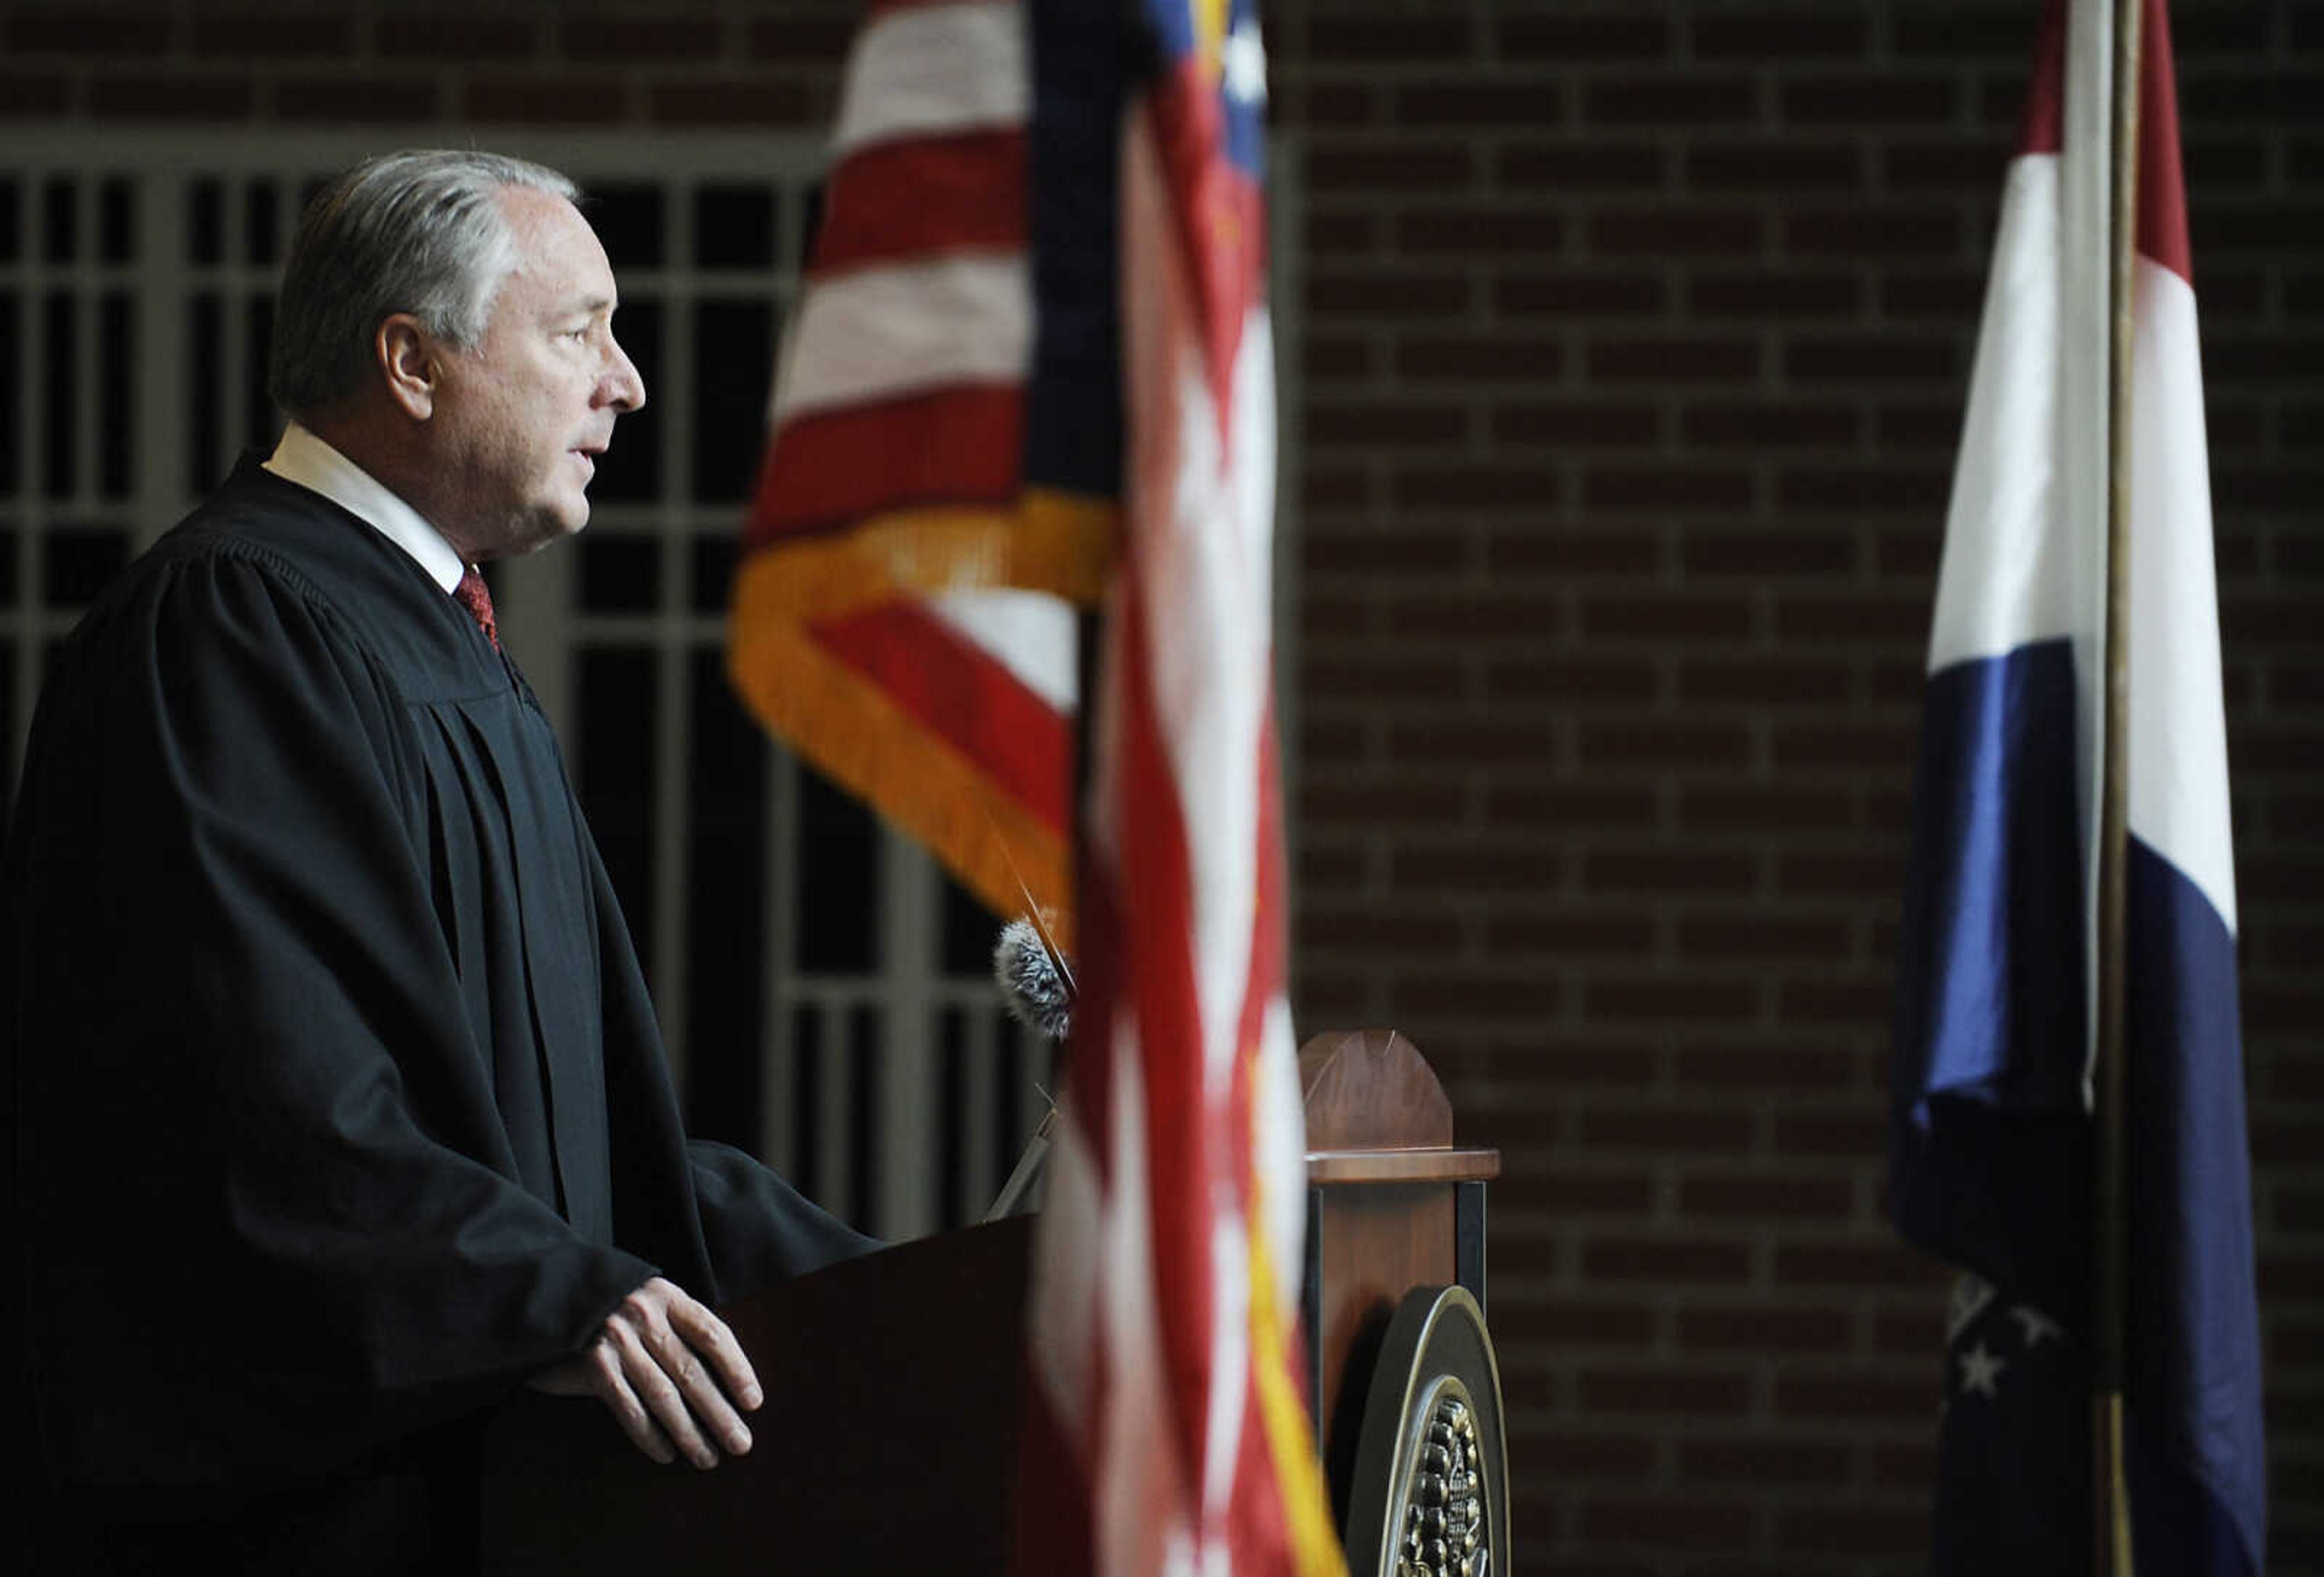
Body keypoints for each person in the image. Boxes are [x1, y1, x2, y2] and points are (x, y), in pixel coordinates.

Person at [1, 149, 875, 1573]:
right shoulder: (235, 629)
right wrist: (546, 1298)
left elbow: (564, 1143)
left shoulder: (423, 635)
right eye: (577, 329)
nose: (629, 383)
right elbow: (256, 1103)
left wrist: (886, 1277)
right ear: (411, 360)